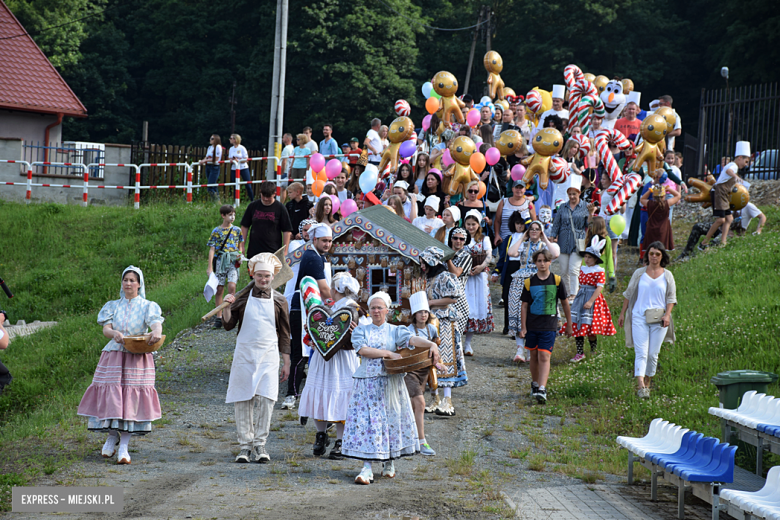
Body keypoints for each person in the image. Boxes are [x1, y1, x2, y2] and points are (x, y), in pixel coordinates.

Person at [343, 291, 438, 485]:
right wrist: (388, 352)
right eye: (373, 308)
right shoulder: (362, 330)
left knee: (391, 419)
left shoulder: (395, 330)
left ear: (387, 310)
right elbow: (362, 350)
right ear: (368, 311)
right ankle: (367, 467)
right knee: (368, 423)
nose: (376, 311)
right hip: (368, 382)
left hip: (390, 382)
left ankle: (389, 462)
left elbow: (412, 340)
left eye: (380, 307)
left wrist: (431, 344)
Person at [77, 266, 164, 465]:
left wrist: (156, 331)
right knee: (113, 396)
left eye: (133, 280)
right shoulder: (113, 305)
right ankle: (111, 436)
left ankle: (124, 445)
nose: (128, 283)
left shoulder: (148, 305)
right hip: (115, 355)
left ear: (139, 284)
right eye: (125, 280)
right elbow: (106, 329)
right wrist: (114, 334)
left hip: (137, 356)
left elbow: (155, 323)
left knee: (130, 399)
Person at [222, 253, 290, 462]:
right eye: (259, 276)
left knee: (267, 399)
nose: (263, 280)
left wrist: (286, 361)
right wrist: (226, 306)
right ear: (253, 274)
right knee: (243, 398)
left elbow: (285, 333)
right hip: (245, 354)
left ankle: (260, 445)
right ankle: (245, 446)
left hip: (269, 355)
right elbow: (228, 324)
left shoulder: (280, 300)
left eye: (267, 277)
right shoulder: (242, 298)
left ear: (273, 276)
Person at [298, 272, 361, 460]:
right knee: (320, 392)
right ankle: (321, 434)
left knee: (342, 395)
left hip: (342, 360)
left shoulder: (353, 310)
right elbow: (318, 331)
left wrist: (356, 333)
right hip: (323, 357)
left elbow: (359, 338)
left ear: (335, 290)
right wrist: (311, 332)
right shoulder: (326, 309)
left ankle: (341, 441)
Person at [284, 224, 333, 412]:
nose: (327, 244)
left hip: (308, 306)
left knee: (308, 352)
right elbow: (324, 289)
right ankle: (291, 394)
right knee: (300, 353)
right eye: (324, 241)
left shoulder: (317, 255)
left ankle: (303, 392)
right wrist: (339, 303)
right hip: (301, 308)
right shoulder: (313, 257)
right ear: (314, 240)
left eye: (329, 241)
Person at [618, 242, 677, 399]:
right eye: (651, 253)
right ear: (647, 255)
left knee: (652, 354)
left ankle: (648, 381)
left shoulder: (667, 275)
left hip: (659, 318)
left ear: (662, 256)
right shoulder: (639, 273)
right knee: (641, 352)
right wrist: (623, 313)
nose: (654, 257)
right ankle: (641, 386)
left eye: (657, 254)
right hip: (639, 315)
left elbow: (671, 298)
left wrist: (667, 315)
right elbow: (628, 293)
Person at [520, 250, 571, 404]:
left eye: (545, 261)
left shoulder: (556, 281)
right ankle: (535, 384)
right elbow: (524, 306)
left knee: (544, 355)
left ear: (550, 262)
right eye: (539, 261)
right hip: (532, 325)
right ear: (535, 263)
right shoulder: (529, 282)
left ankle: (542, 388)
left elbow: (564, 303)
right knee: (533, 356)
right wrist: (523, 327)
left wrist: (569, 324)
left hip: (549, 326)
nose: (542, 264)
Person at [420, 246, 466, 417]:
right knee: (431, 359)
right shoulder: (431, 278)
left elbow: (453, 298)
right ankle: (435, 398)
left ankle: (448, 400)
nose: (422, 266)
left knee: (445, 359)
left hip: (445, 322)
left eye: (424, 263)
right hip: (431, 322)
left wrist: (430, 303)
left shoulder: (445, 276)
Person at [506, 221, 556, 362]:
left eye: (537, 229)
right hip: (521, 279)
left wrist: (544, 237)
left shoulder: (544, 246)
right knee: (517, 311)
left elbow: (555, 254)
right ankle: (519, 349)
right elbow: (511, 252)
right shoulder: (524, 244)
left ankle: (530, 349)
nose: (534, 231)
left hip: (538, 280)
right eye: (531, 229)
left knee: (533, 314)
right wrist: (523, 237)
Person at [562, 237, 617, 363]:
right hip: (581, 297)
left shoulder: (599, 271)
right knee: (578, 324)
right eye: (585, 257)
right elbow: (581, 285)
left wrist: (591, 301)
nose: (586, 259)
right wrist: (578, 297)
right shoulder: (583, 269)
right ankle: (580, 352)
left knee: (590, 326)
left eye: (589, 257)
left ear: (596, 259)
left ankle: (593, 350)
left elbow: (599, 287)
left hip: (592, 298)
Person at [406, 292, 442, 457]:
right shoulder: (408, 331)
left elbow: (435, 350)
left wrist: (439, 364)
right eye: (420, 312)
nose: (423, 315)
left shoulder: (432, 329)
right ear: (414, 314)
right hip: (410, 372)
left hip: (424, 372)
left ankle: (409, 438)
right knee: (420, 403)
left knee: (414, 406)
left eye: (426, 312)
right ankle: (422, 441)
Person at [699, 141, 750, 250]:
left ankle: (723, 242)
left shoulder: (734, 166)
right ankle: (704, 243)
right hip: (719, 193)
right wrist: (735, 176)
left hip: (723, 195)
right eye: (746, 161)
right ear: (739, 157)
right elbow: (728, 170)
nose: (746, 164)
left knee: (729, 218)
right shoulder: (733, 166)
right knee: (721, 220)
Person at [549, 174, 591, 300]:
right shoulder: (563, 207)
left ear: (579, 193)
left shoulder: (585, 207)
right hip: (563, 241)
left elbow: (589, 225)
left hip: (578, 241)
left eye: (574, 194)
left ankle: (574, 293)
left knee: (574, 269)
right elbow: (556, 224)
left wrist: (591, 213)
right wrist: (552, 236)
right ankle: (567, 293)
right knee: (564, 270)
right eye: (570, 194)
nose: (572, 197)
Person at [207, 205, 244, 329]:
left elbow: (240, 245)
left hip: (233, 261)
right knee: (219, 289)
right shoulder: (216, 231)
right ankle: (219, 316)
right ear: (223, 215)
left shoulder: (237, 230)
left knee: (232, 285)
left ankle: (230, 313)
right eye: (229, 215)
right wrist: (209, 267)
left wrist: (240, 255)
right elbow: (212, 249)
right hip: (221, 261)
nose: (232, 217)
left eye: (233, 215)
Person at [463, 210, 494, 355]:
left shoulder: (484, 239)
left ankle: (468, 344)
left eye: (473, 224)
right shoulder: (460, 238)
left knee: (475, 307)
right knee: (464, 307)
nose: (470, 227)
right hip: (464, 277)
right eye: (468, 224)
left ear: (478, 224)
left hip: (479, 276)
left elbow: (489, 255)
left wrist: (481, 266)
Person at [492, 212, 527, 336]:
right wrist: (497, 271)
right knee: (507, 298)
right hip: (509, 269)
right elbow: (502, 258)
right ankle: (507, 325)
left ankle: (521, 327)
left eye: (522, 224)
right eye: (517, 223)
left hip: (522, 268)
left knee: (521, 299)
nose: (519, 226)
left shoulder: (528, 238)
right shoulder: (509, 238)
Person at [240, 181, 293, 260]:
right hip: (254, 251)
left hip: (273, 251)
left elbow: (287, 231)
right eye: (263, 195)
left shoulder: (280, 207)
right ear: (260, 192)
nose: (265, 199)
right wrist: (242, 246)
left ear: (274, 194)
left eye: (268, 196)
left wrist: (285, 251)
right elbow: (244, 226)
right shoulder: (253, 206)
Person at [494, 180, 537, 263]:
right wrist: (497, 235)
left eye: (521, 188)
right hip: (505, 239)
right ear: (512, 189)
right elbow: (497, 221)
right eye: (516, 187)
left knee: (521, 264)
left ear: (525, 190)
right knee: (504, 264)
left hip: (523, 240)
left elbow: (534, 223)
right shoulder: (504, 202)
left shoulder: (529, 204)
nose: (519, 190)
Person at [284, 218, 315, 309]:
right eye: (305, 230)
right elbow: (300, 254)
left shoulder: (319, 244)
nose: (308, 233)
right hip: (295, 279)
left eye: (311, 230)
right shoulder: (295, 243)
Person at [640, 184, 680, 253]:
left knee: (651, 250)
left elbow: (642, 199)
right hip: (663, 229)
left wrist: (649, 191)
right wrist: (669, 189)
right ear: (664, 196)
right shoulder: (667, 203)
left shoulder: (650, 203)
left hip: (651, 230)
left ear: (653, 196)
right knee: (661, 250)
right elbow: (678, 196)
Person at [229, 134, 254, 201]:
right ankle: (236, 201)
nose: (229, 140)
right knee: (235, 185)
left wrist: (239, 161)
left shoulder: (242, 148)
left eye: (231, 138)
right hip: (234, 168)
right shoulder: (231, 149)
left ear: (235, 140)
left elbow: (246, 159)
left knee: (248, 185)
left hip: (243, 168)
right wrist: (232, 160)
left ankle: (252, 200)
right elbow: (229, 158)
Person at [198, 134, 223, 202]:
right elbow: (206, 157)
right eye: (210, 138)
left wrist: (205, 160)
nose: (210, 140)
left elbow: (216, 159)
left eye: (212, 139)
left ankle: (217, 201)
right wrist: (203, 160)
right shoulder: (209, 147)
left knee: (210, 187)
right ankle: (218, 202)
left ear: (216, 140)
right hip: (208, 166)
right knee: (213, 185)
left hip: (214, 167)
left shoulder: (218, 147)